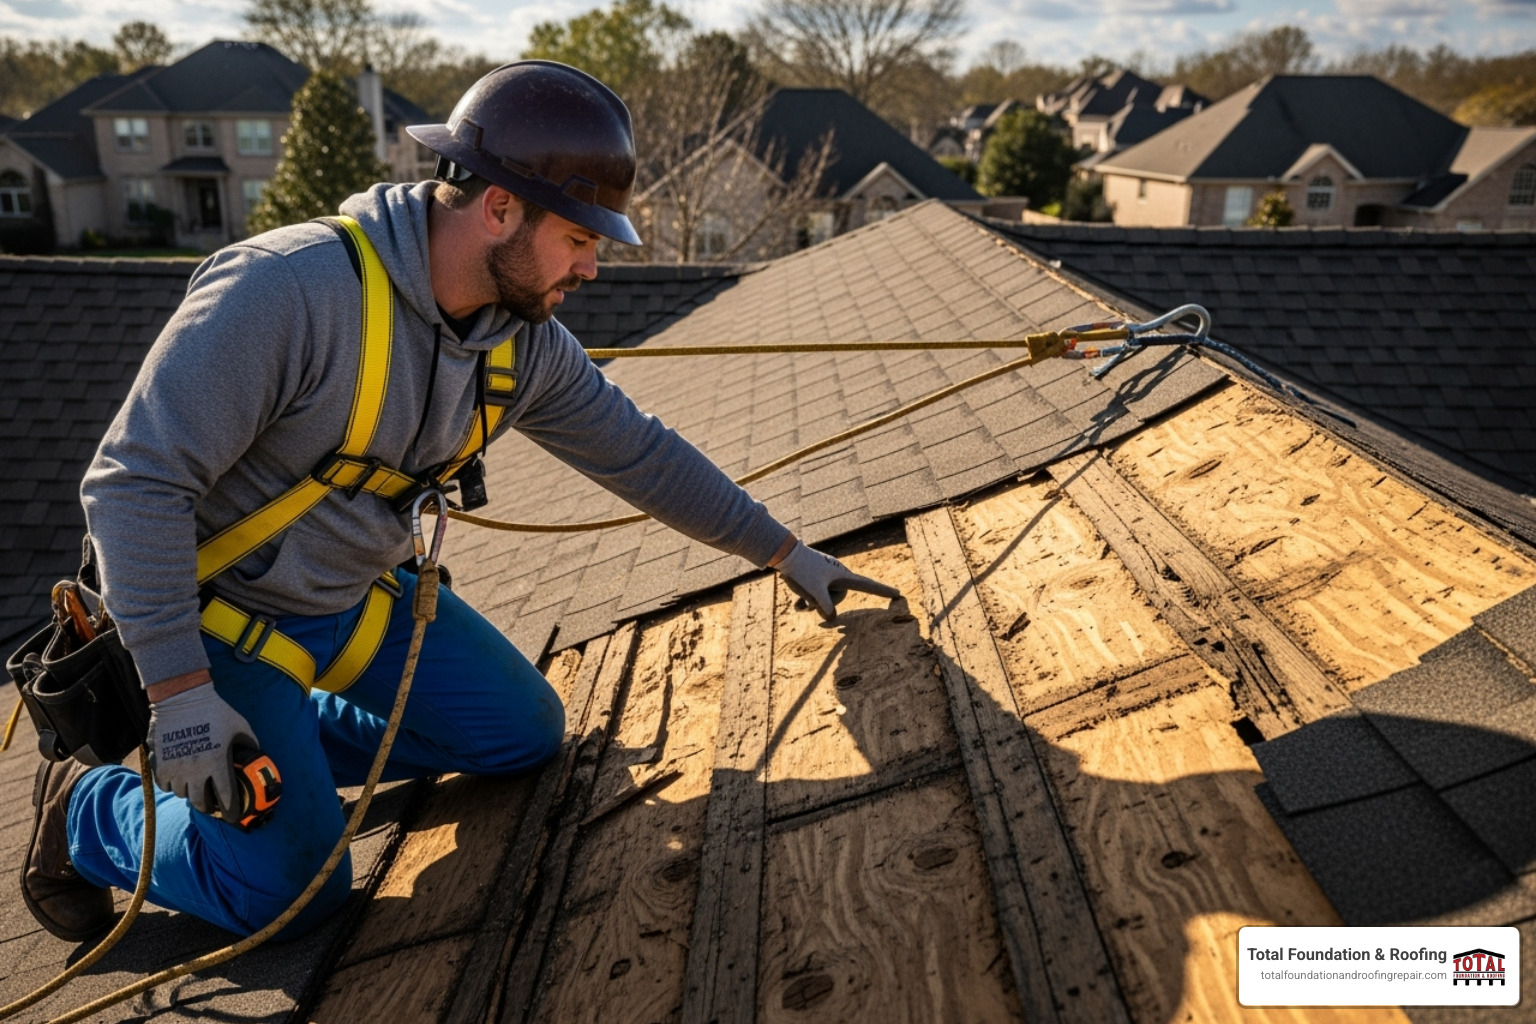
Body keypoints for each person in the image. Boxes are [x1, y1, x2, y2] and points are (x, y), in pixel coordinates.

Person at [22, 60, 893, 942]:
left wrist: (786, 552)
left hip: (355, 601)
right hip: (224, 624)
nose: (593, 268)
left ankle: (286, 752)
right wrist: (180, 698)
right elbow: (132, 485)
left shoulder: (521, 344)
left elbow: (641, 453)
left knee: (522, 734)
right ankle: (86, 811)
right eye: (580, 239)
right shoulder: (286, 293)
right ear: (500, 208)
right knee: (293, 893)